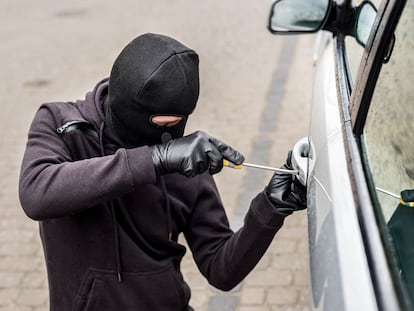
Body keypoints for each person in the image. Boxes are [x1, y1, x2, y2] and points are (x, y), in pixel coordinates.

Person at [18, 33, 306, 311]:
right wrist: (154, 159)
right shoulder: (63, 126)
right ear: (126, 104)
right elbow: (37, 195)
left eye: (178, 121)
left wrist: (271, 207)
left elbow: (221, 269)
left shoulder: (185, 160)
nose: (167, 134)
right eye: (161, 122)